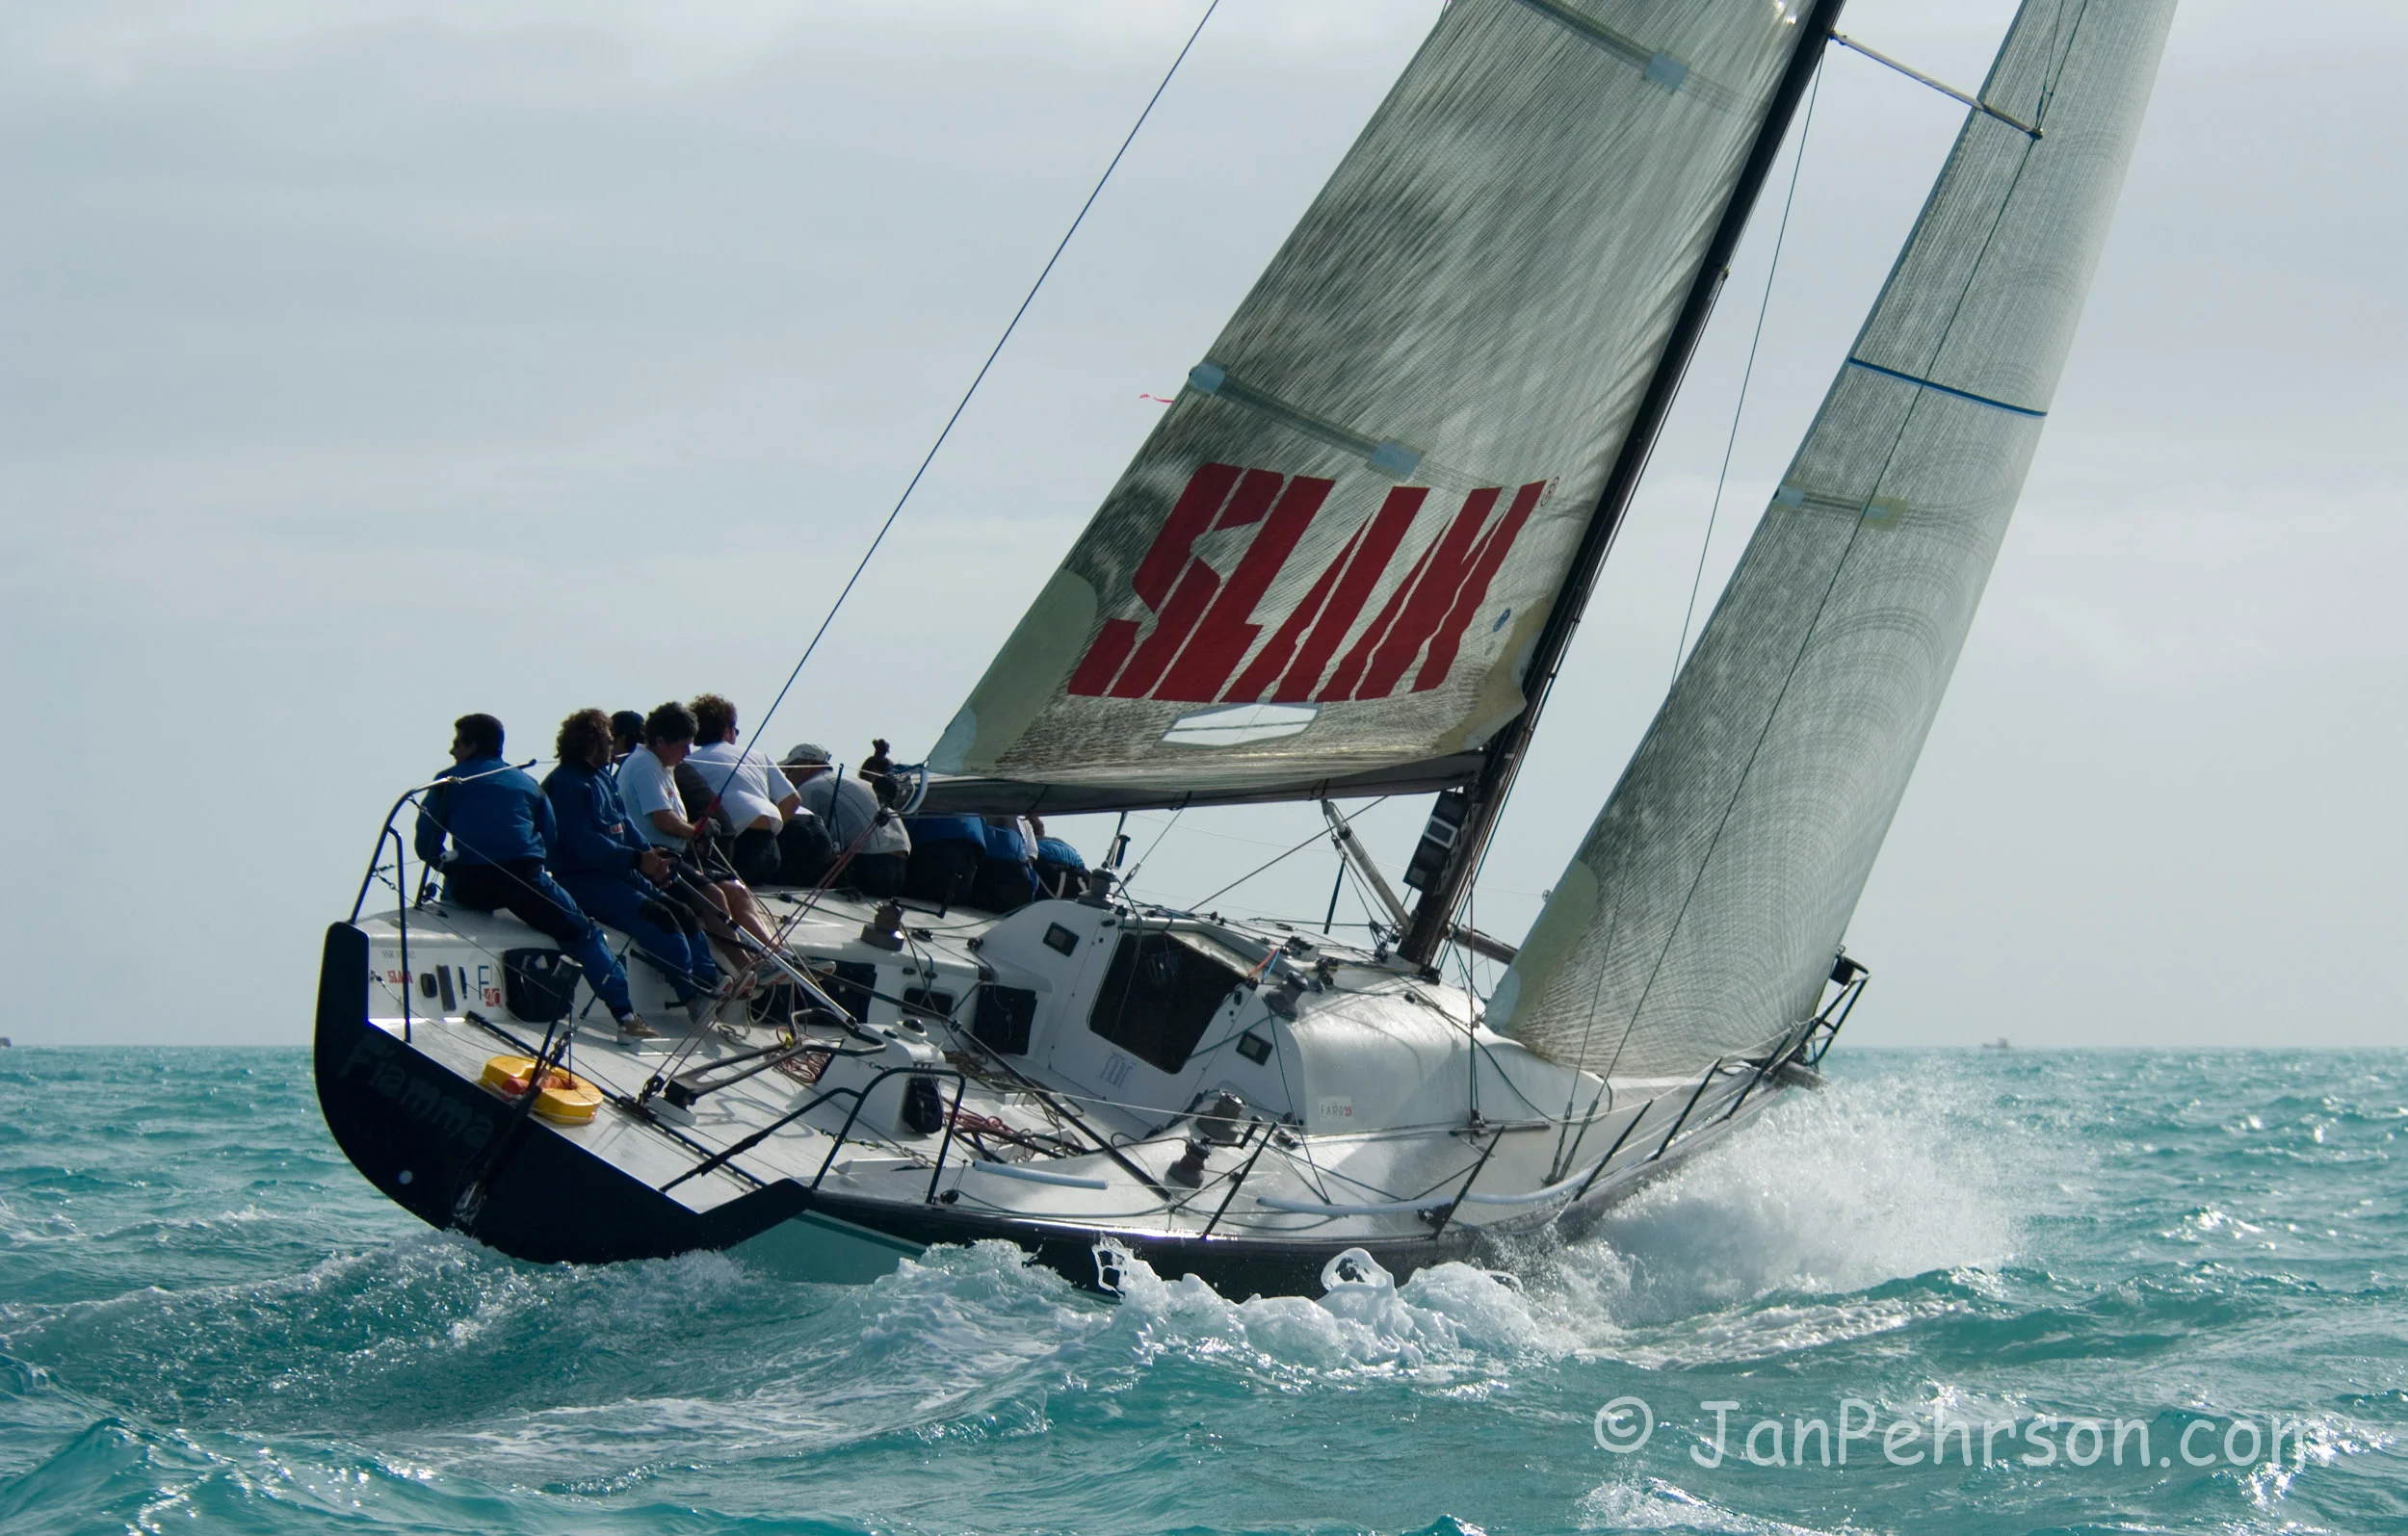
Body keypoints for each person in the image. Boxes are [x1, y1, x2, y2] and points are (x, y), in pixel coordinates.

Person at [411, 713, 657, 1041]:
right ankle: (626, 1018)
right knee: (586, 936)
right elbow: (549, 837)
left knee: (456, 881)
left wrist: (446, 866)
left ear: (472, 746)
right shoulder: (527, 784)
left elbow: (425, 843)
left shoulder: (446, 783)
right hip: (524, 882)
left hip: (469, 886)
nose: (452, 751)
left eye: (457, 743)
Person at [542, 708, 722, 1022]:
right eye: (608, 741)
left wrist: (651, 858)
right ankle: (692, 998)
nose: (613, 747)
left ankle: (708, 982)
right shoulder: (565, 785)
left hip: (621, 871)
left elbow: (625, 825)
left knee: (683, 913)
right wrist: (637, 859)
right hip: (584, 879)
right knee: (660, 919)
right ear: (591, 743)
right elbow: (582, 843)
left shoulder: (601, 778)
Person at [616, 701, 780, 949]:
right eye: (683, 746)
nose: (688, 753)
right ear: (661, 741)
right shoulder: (645, 766)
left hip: (677, 855)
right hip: (654, 859)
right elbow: (663, 819)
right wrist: (695, 831)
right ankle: (744, 968)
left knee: (736, 891)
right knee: (713, 896)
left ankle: (773, 955)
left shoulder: (662, 765)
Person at [686, 693, 827, 886]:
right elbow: (792, 800)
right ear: (727, 730)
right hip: (770, 850)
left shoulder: (688, 763)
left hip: (732, 849)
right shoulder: (757, 756)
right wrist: (772, 831)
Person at [782, 742, 912, 898]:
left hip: (867, 869)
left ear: (806, 766)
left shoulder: (809, 788)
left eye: (789, 769)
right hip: (899, 871)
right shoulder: (848, 781)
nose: (786, 776)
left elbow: (803, 838)